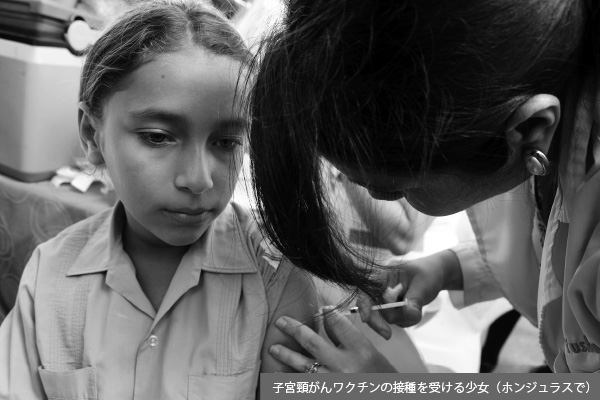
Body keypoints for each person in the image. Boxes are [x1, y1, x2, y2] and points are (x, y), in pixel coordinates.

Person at [245, 0, 600, 373]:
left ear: (528, 132)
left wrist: (388, 386)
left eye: (397, 187)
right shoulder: (511, 110)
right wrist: (447, 268)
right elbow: (548, 243)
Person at [0, 1, 317, 398]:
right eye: (157, 137)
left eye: (227, 142)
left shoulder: (277, 282)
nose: (198, 179)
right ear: (91, 134)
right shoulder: (48, 275)